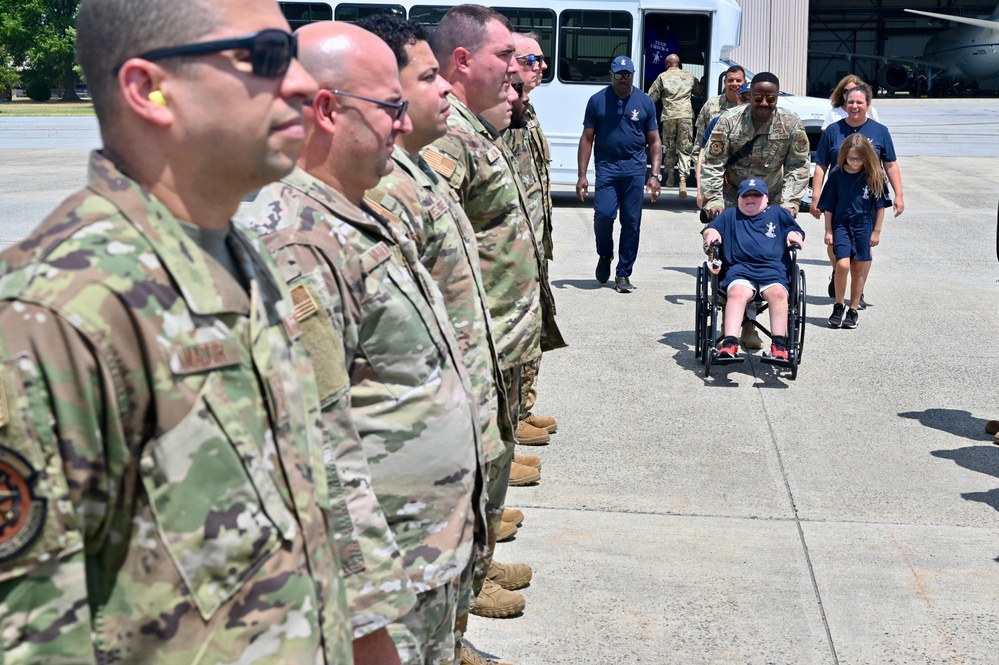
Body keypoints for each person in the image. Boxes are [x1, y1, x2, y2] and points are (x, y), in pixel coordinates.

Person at [0, 0, 355, 662]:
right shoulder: (54, 316)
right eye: (268, 57)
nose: (305, 84)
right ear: (147, 88)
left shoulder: (240, 259)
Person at [237, 21, 483, 665]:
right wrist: (367, 620)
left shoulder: (353, 212)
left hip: (423, 559)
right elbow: (317, 449)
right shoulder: (296, 241)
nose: (403, 126)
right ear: (325, 110)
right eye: (391, 107)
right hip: (382, 589)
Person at [354, 15, 532, 665]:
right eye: (426, 77)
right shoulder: (422, 161)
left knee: (466, 518)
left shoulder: (442, 151)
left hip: (475, 367)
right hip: (427, 411)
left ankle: (452, 628)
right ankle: (447, 630)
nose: (517, 71)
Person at [426, 3, 544, 626]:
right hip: (482, 340)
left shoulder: (480, 129)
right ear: (464, 60)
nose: (518, 72)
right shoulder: (451, 139)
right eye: (507, 57)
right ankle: (462, 608)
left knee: (490, 474)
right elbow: (439, 245)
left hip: (502, 335)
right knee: (474, 479)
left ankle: (478, 571)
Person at [507, 31, 566, 447]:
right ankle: (510, 421)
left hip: (533, 244)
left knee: (533, 332)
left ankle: (522, 410)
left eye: (542, 60)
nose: (542, 66)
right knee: (515, 339)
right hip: (512, 250)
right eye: (533, 60)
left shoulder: (526, 112)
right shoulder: (501, 115)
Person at [811, 83, 903, 309]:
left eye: (859, 102)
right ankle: (838, 272)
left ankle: (857, 293)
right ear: (844, 104)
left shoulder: (880, 131)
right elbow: (821, 165)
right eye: (850, 102)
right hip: (838, 195)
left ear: (867, 105)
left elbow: (890, 164)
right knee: (834, 243)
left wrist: (899, 194)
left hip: (867, 196)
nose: (854, 106)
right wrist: (815, 196)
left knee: (863, 248)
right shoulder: (833, 131)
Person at [576, 55, 662, 293]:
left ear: (633, 75)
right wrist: (582, 175)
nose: (623, 79)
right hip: (607, 169)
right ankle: (605, 255)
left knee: (631, 222)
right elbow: (587, 138)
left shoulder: (645, 102)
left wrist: (654, 175)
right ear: (611, 75)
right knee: (603, 216)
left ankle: (623, 273)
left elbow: (654, 141)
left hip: (634, 171)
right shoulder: (597, 101)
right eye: (619, 75)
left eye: (628, 75)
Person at [702, 178, 805, 360]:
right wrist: (713, 235)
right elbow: (710, 230)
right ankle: (729, 343)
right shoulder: (730, 215)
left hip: (773, 271)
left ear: (766, 197)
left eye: (756, 195)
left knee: (779, 295)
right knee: (737, 294)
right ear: (739, 198)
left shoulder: (778, 214)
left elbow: (796, 231)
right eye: (746, 195)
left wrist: (793, 236)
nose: (750, 199)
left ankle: (779, 345)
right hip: (740, 270)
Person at [700, 72, 809, 219]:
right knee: (717, 239)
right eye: (758, 98)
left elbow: (798, 166)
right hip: (732, 195)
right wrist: (714, 201)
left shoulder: (791, 123)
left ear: (777, 98)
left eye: (770, 98)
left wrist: (789, 203)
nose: (764, 103)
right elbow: (713, 163)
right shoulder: (728, 120)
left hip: (771, 197)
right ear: (750, 96)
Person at [819, 134, 887, 329]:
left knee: (858, 268)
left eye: (858, 158)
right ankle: (838, 305)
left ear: (866, 157)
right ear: (844, 156)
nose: (854, 162)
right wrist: (828, 230)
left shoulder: (873, 175)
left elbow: (880, 207)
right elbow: (829, 206)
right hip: (841, 225)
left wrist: (877, 231)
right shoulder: (836, 175)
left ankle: (853, 309)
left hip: (863, 226)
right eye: (850, 158)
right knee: (842, 265)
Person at [647, 53, 704, 196]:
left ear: (667, 64)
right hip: (686, 116)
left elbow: (651, 97)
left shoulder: (662, 77)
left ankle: (670, 176)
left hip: (669, 117)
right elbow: (700, 91)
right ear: (679, 64)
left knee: (669, 147)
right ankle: (683, 181)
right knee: (685, 148)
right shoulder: (689, 76)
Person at [696, 81, 751, 210]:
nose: (748, 103)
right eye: (744, 98)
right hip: (726, 188)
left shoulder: (767, 124)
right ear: (738, 98)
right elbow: (704, 158)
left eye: (752, 99)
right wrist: (700, 190)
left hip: (756, 190)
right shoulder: (720, 121)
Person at [693, 64, 746, 163]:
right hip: (713, 166)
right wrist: (698, 167)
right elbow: (700, 139)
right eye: (730, 80)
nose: (734, 84)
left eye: (738, 80)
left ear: (745, 82)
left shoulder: (751, 107)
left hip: (741, 168)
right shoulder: (711, 105)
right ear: (725, 82)